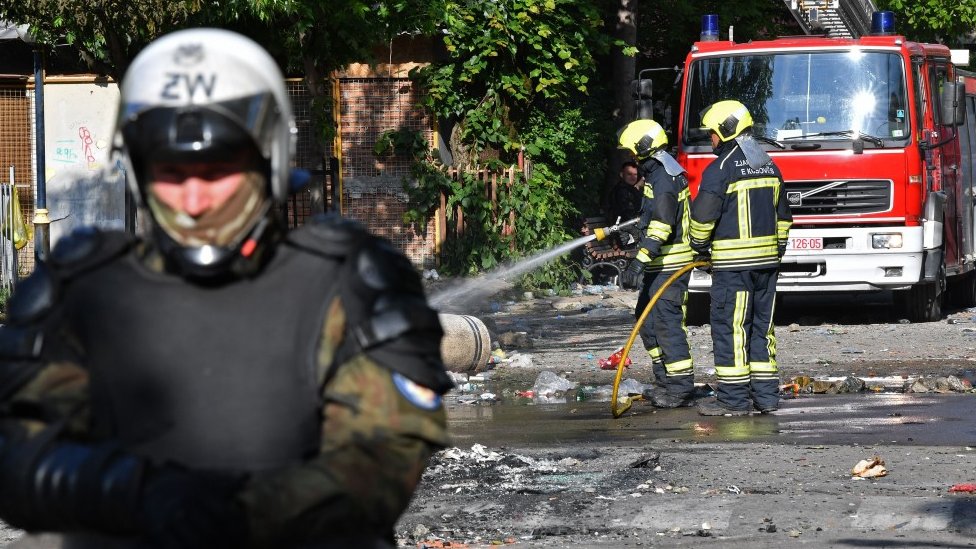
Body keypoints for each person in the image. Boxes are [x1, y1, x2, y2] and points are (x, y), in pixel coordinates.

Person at [0, 28, 451, 549]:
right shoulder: (84, 289)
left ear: (268, 159)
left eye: (216, 170)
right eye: (172, 171)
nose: (193, 200)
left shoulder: (346, 280)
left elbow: (381, 458)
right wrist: (138, 493)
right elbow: (17, 449)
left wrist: (237, 512)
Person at [688, 100, 793, 416]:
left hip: (733, 270)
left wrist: (700, 249)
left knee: (731, 329)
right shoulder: (768, 165)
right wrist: (775, 253)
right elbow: (784, 218)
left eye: (712, 133)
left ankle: (733, 400)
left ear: (725, 130)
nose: (711, 140)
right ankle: (766, 398)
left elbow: (701, 220)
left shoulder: (720, 169)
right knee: (762, 329)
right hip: (767, 268)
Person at [618, 119, 696, 408]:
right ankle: (665, 380)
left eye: (634, 152)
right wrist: (637, 231)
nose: (633, 159)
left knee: (666, 324)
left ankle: (680, 387)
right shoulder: (659, 174)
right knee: (647, 321)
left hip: (670, 265)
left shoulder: (663, 177)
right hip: (660, 264)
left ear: (644, 148)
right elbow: (655, 218)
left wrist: (638, 262)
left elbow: (663, 226)